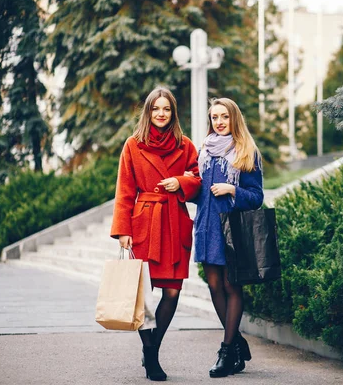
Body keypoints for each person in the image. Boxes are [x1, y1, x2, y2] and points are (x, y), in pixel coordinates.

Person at [111, 86, 201, 381]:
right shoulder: (133, 145)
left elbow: (197, 179)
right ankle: (151, 357)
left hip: (174, 222)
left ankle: (152, 349)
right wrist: (123, 230)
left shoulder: (185, 144)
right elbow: (125, 190)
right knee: (142, 297)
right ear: (148, 112)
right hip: (144, 224)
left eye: (166, 109)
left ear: (173, 113)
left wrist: (181, 183)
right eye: (156, 109)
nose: (161, 114)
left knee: (172, 292)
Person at [186, 98, 263, 378]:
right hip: (207, 227)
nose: (219, 122)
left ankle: (227, 351)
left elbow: (257, 197)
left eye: (224, 117)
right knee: (214, 285)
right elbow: (199, 192)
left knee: (232, 287)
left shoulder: (246, 151)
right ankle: (238, 342)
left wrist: (232, 189)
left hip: (231, 230)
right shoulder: (203, 150)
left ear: (234, 119)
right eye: (214, 117)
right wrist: (187, 183)